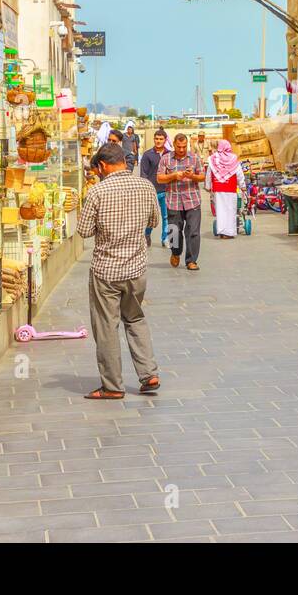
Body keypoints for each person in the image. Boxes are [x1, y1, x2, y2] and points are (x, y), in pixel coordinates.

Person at [76, 142, 162, 400]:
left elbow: (83, 231)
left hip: (106, 272)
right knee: (135, 319)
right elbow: (155, 221)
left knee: (106, 326)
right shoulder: (146, 186)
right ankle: (149, 374)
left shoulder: (97, 192)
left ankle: (112, 385)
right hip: (136, 269)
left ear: (102, 166)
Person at [156, 132, 204, 271]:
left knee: (193, 232)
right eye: (178, 147)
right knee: (174, 231)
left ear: (187, 145)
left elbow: (202, 177)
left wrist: (192, 176)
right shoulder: (166, 159)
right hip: (173, 200)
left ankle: (191, 260)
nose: (181, 150)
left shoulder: (194, 158)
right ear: (174, 145)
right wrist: (174, 175)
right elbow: (159, 178)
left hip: (192, 200)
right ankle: (176, 253)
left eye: (184, 146)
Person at [206, 139, 245, 239]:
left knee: (220, 210)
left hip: (218, 188)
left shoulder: (213, 158)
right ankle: (229, 232)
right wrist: (243, 186)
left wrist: (208, 186)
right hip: (230, 188)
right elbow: (239, 174)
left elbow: (209, 174)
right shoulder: (233, 159)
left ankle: (222, 231)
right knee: (231, 209)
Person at [138, 128, 169, 247]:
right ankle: (147, 235)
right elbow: (144, 174)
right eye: (156, 139)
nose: (158, 141)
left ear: (165, 140)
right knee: (150, 216)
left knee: (166, 216)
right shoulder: (147, 154)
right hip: (152, 191)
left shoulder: (169, 154)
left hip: (166, 191)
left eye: (161, 139)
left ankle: (165, 239)